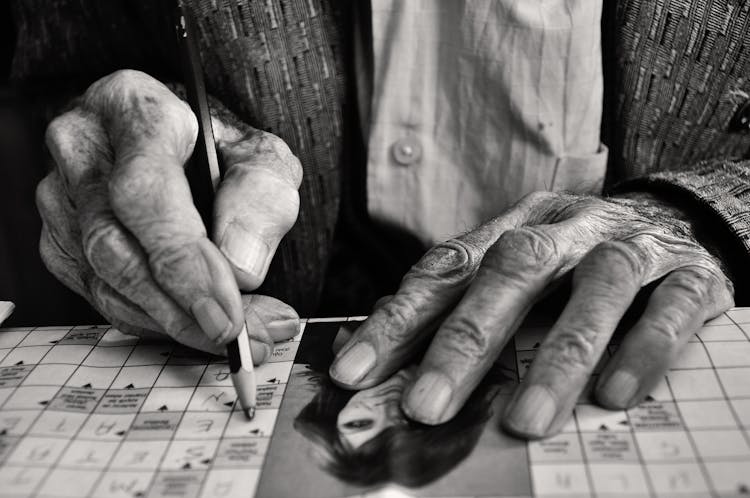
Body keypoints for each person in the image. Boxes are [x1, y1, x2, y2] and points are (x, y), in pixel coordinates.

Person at [9, 1, 750, 439]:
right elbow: (65, 42)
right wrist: (140, 134)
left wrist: (705, 216)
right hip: (289, 298)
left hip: (662, 318)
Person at [293, 323, 514, 487]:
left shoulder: (312, 342)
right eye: (407, 423)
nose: (386, 409)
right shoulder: (504, 342)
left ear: (335, 414)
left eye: (359, 423)